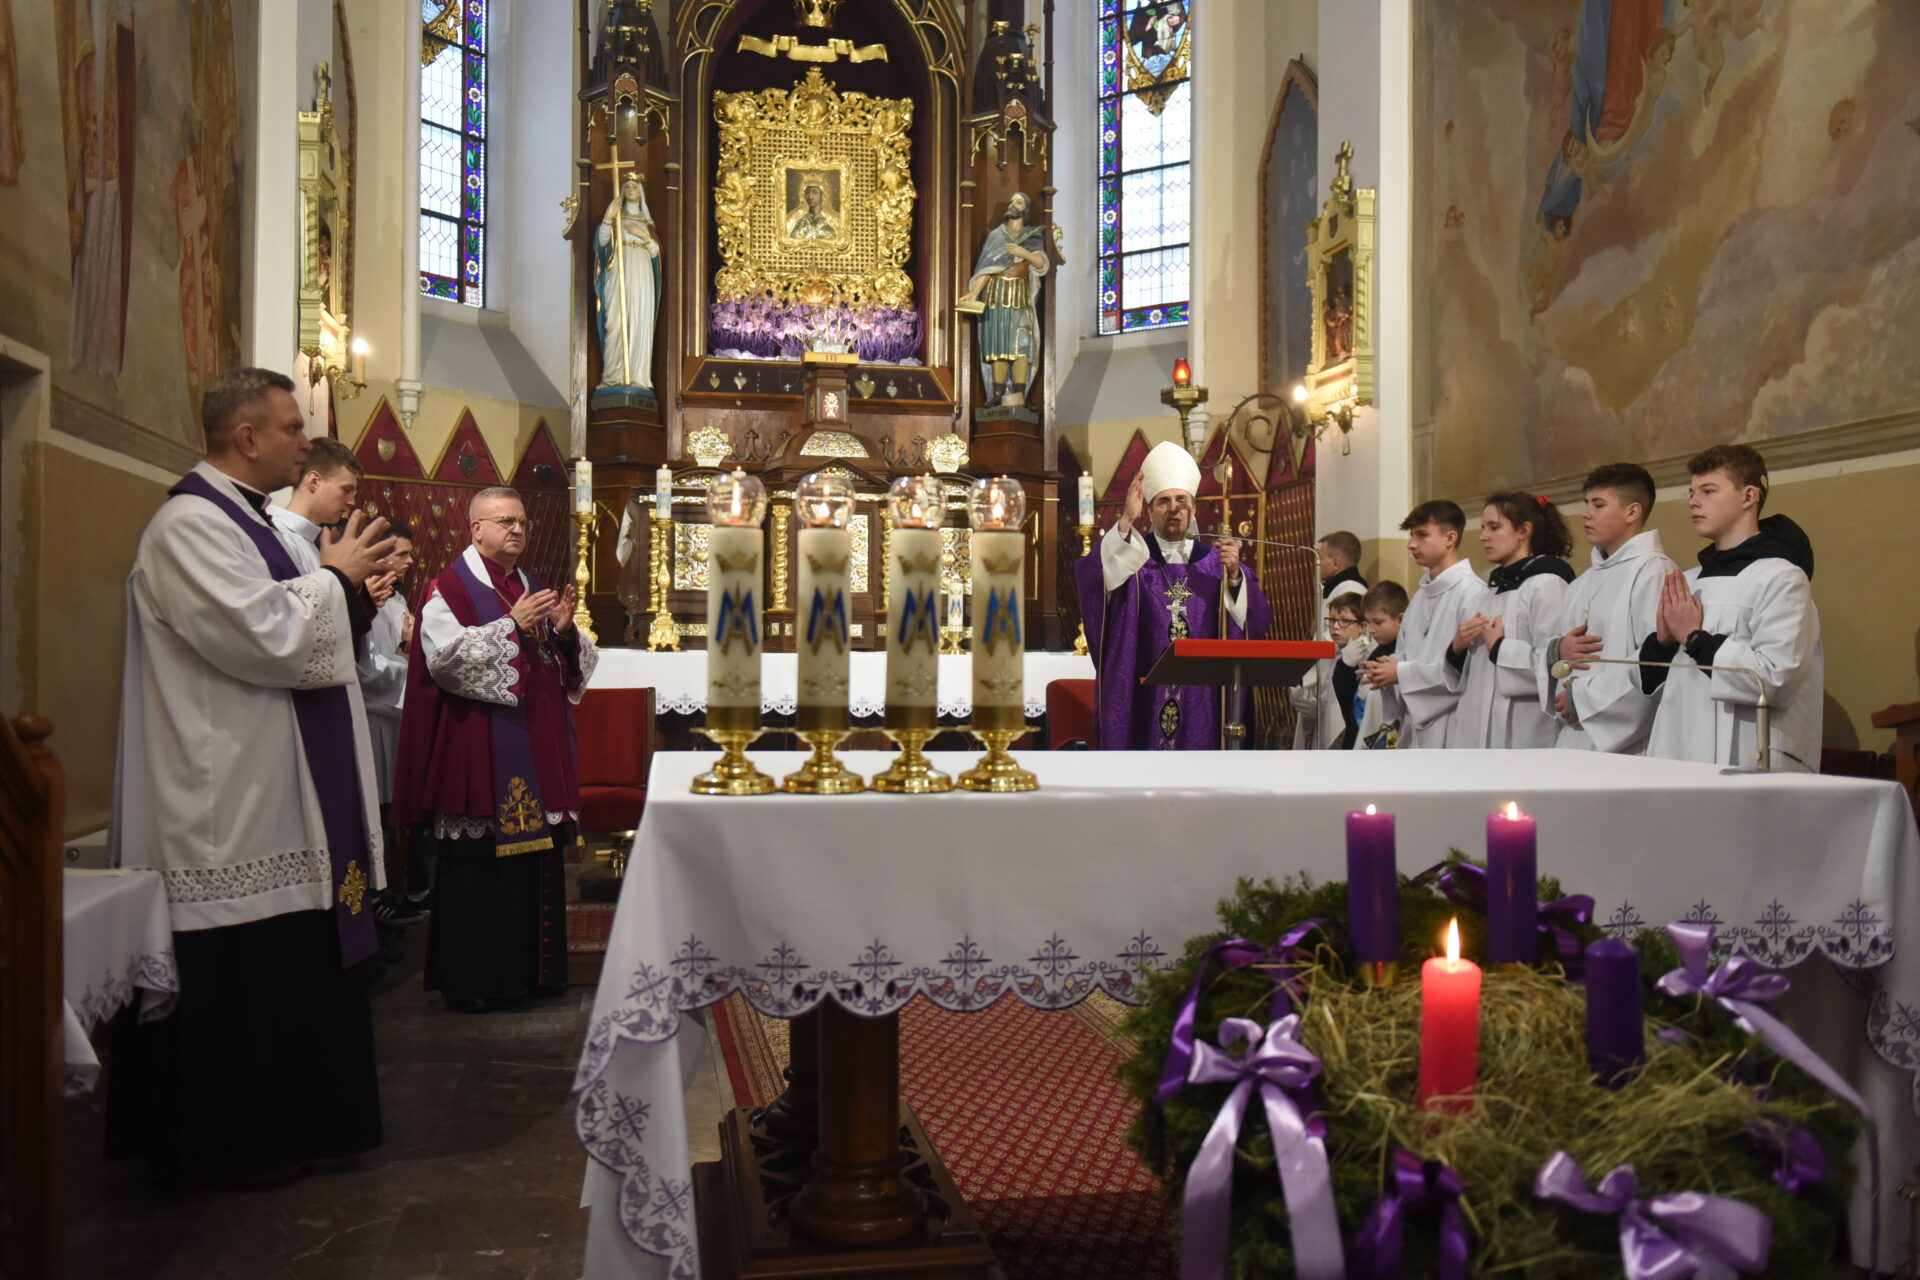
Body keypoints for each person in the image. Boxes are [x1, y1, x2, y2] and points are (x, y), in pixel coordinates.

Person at [106, 366, 394, 1184]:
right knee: (248, 980)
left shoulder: (244, 519)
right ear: (247, 437)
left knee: (289, 968)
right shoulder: (190, 526)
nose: (305, 442)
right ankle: (233, 1145)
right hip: (222, 797)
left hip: (264, 786)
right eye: (293, 428)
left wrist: (337, 587)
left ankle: (295, 1131)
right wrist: (336, 582)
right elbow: (262, 634)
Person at [393, 486, 598, 1012]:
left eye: (522, 522)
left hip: (538, 743)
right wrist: (513, 627)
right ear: (476, 529)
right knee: (480, 867)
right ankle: (477, 982)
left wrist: (564, 633)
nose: (517, 530)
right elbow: (446, 663)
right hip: (479, 746)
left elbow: (568, 663)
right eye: (505, 521)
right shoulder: (449, 589)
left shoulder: (532, 586)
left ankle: (535, 974)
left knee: (537, 862)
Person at [1074, 440, 1273, 749]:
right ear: (1149, 511)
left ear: (1193, 510)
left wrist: (1235, 577)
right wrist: (1125, 521)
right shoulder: (1132, 560)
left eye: (1181, 500)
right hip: (1145, 693)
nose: (1173, 508)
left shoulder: (1217, 565)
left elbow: (1254, 622)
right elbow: (1094, 579)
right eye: (1163, 501)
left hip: (1202, 697)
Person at [1640, 445, 1821, 772]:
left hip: (1746, 754)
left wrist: (1694, 638)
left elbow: (1776, 678)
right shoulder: (1688, 580)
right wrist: (1663, 644)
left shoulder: (1781, 578)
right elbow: (1655, 688)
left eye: (1708, 491)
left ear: (1749, 496)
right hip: (1678, 748)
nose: (1694, 502)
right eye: (1691, 493)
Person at [1543, 463, 1676, 753]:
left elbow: (1656, 661)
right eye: (1586, 503)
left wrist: (1583, 700)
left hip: (1627, 744)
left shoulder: (1653, 572)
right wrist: (1557, 652)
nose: (1585, 513)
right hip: (1573, 738)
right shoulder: (1583, 581)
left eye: (1599, 504)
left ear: (1632, 512)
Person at [1449, 492, 1576, 748]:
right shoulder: (1490, 591)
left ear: (1523, 531)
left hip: (1526, 727)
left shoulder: (1548, 584)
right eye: (1483, 528)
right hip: (1479, 725)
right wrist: (1457, 648)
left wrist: (1500, 648)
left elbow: (1558, 664)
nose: (1483, 536)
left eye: (1494, 527)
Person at [1362, 501, 1491, 748]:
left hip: (1454, 724)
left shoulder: (1473, 594)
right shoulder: (1421, 595)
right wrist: (1384, 670)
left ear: (1450, 538)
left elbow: (1468, 672)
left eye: (1422, 535)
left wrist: (1400, 673)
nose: (1411, 544)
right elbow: (1405, 652)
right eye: (1412, 536)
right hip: (1415, 723)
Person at [359, 519, 429, 921]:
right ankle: (378, 896)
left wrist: (407, 651)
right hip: (371, 720)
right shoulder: (363, 599)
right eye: (401, 553)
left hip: (397, 716)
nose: (409, 561)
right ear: (381, 555)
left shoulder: (396, 598)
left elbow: (404, 647)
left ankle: (403, 890)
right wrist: (410, 663)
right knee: (377, 811)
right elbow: (366, 670)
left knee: (398, 810)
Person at [962, 191, 1051, 406]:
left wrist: (1024, 253)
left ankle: (1020, 396)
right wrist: (973, 294)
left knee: (1022, 345)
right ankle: (996, 395)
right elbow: (986, 269)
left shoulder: (1032, 236)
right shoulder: (996, 236)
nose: (1013, 204)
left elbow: (1042, 264)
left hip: (1020, 297)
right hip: (996, 297)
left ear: (1025, 209)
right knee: (998, 345)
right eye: (1011, 201)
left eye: (1018, 202)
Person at [1291, 530, 1370, 748]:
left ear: (1336, 563)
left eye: (1321, 558)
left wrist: (1303, 678)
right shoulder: (1334, 588)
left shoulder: (1351, 590)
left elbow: (1333, 644)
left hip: (1337, 682)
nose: (1316, 564)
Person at [268, 436, 363, 572]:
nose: (351, 502)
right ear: (314, 482)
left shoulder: (310, 541)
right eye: (346, 489)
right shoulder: (279, 537)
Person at [1353, 581, 1408, 750]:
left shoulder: (1408, 653)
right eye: (1368, 622)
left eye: (1378, 622)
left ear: (1401, 619)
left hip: (1395, 736)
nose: (1371, 630)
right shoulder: (1376, 651)